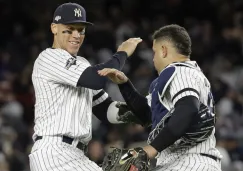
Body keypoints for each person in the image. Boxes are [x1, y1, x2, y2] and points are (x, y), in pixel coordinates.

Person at [29, 2, 142, 171]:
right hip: (53, 152)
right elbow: (95, 80)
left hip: (76, 156)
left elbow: (104, 109)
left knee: (133, 163)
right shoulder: (48, 58)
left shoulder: (82, 64)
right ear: (54, 28)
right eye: (69, 29)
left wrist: (138, 111)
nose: (76, 35)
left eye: (80, 30)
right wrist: (122, 53)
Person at [98, 24, 222, 170]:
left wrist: (149, 150)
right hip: (184, 162)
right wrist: (125, 85)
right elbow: (147, 115)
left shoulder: (180, 71)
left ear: (163, 50)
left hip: (189, 161)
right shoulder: (184, 75)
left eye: (154, 52)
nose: (153, 59)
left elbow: (188, 108)